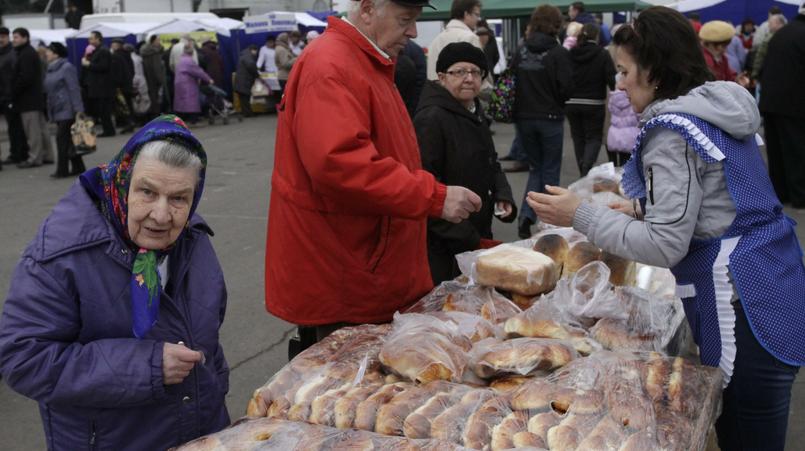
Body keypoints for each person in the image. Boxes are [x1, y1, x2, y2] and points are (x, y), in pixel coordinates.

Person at [527, 7, 803, 451]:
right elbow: (721, 196)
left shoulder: (672, 130)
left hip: (741, 297)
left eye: (623, 71)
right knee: (762, 418)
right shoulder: (717, 104)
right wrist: (642, 207)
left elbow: (665, 244)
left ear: (653, 71)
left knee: (746, 431)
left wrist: (581, 214)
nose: (618, 83)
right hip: (775, 275)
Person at [265, 0, 482, 358]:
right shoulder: (332, 65)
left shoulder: (361, 60)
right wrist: (433, 197)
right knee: (348, 392)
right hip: (347, 271)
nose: (412, 32)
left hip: (363, 264)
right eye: (405, 20)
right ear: (367, 10)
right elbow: (341, 165)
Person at [0, 115, 231, 449]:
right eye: (147, 192)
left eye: (179, 198)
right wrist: (147, 366)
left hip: (203, 434)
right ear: (122, 181)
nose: (161, 214)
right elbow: (24, 359)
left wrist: (216, 390)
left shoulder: (193, 239)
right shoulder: (61, 255)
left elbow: (209, 334)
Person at [414, 42, 516, 283]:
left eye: (475, 72)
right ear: (441, 77)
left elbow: (491, 161)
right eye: (459, 72)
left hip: (475, 232)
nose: (469, 78)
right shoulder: (431, 118)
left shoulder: (474, 110)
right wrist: (467, 237)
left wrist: (503, 194)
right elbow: (425, 184)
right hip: (445, 245)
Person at [511, 5, 573, 239]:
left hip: (524, 119)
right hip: (550, 118)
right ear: (556, 24)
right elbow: (566, 87)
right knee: (550, 171)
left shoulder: (521, 50)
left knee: (536, 168)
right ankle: (548, 223)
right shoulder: (558, 53)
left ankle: (527, 215)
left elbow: (511, 82)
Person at [759, 2, 805, 209]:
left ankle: (780, 194)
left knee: (777, 153)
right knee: (797, 151)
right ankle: (800, 196)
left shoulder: (783, 33)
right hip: (794, 103)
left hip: (771, 101)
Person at [566, 23, 616, 177]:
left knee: (578, 137)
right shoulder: (602, 54)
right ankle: (587, 164)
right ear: (597, 36)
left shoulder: (570, 53)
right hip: (594, 102)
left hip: (571, 101)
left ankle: (582, 166)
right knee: (594, 137)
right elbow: (612, 80)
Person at [11, 27, 53, 169]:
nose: (13, 40)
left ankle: (34, 158)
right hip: (35, 98)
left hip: (28, 99)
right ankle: (48, 155)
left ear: (25, 38)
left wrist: (14, 90)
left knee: (32, 130)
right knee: (41, 128)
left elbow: (25, 77)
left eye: (16, 37)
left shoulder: (26, 54)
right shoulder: (29, 52)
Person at [43, 42, 86, 178]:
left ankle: (62, 170)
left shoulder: (66, 67)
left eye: (48, 51)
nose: (46, 54)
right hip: (57, 109)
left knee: (61, 140)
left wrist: (79, 110)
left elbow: (74, 88)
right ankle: (78, 166)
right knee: (69, 139)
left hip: (67, 109)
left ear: (56, 53)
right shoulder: (50, 68)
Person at [426, 0, 482, 80]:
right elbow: (478, 74)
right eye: (476, 14)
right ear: (466, 14)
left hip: (435, 90)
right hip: (463, 91)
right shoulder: (470, 38)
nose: (478, 19)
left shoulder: (436, 40)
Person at [0, 26, 29, 166]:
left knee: (15, 126)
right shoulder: (5, 53)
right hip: (4, 95)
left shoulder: (12, 53)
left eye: (3, 36)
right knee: (13, 126)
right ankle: (16, 153)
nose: (1, 39)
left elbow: (14, 76)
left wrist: (11, 93)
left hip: (9, 95)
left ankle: (19, 153)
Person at [82, 31, 116, 137]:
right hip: (98, 86)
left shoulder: (103, 51)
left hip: (103, 87)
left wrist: (89, 64)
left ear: (98, 39)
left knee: (104, 110)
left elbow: (103, 67)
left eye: (92, 38)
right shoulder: (97, 51)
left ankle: (109, 130)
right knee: (101, 110)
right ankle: (108, 129)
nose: (90, 41)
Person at [699, 20, 749, 87]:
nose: (723, 50)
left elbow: (728, 75)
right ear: (707, 44)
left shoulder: (722, 58)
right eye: (719, 46)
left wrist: (737, 79)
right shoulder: (705, 61)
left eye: (725, 46)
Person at [174, 43, 213, 124]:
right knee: (191, 101)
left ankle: (182, 120)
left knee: (181, 102)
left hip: (178, 82)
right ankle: (193, 119)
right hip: (187, 83)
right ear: (192, 52)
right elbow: (198, 72)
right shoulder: (189, 61)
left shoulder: (181, 59)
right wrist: (209, 79)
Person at [605, 89, 638, 167]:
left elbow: (610, 109)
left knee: (619, 159)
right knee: (627, 162)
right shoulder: (634, 97)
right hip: (630, 136)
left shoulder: (613, 98)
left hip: (615, 134)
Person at [751, 14, 787, 81]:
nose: (768, 25)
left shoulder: (769, 38)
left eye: (770, 23)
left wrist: (755, 74)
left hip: (770, 74)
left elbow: (760, 56)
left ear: (778, 23)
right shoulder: (789, 35)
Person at [111, 38, 135, 133]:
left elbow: (118, 72)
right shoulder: (127, 54)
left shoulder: (116, 56)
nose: (112, 46)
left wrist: (117, 84)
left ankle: (128, 123)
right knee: (128, 104)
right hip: (128, 83)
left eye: (113, 44)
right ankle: (131, 122)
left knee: (123, 105)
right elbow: (131, 69)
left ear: (118, 45)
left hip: (121, 86)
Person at [140, 35, 166, 120]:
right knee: (153, 97)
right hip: (152, 78)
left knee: (154, 97)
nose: (159, 42)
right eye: (157, 40)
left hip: (151, 78)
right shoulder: (153, 52)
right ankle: (154, 114)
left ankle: (154, 114)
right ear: (152, 41)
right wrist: (160, 79)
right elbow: (156, 67)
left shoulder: (156, 51)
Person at [234, 44, 260, 117]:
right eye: (256, 51)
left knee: (243, 98)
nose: (256, 53)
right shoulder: (248, 56)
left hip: (241, 79)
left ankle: (246, 112)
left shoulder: (244, 54)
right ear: (253, 50)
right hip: (245, 80)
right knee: (245, 97)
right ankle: (248, 113)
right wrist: (257, 75)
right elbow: (251, 65)